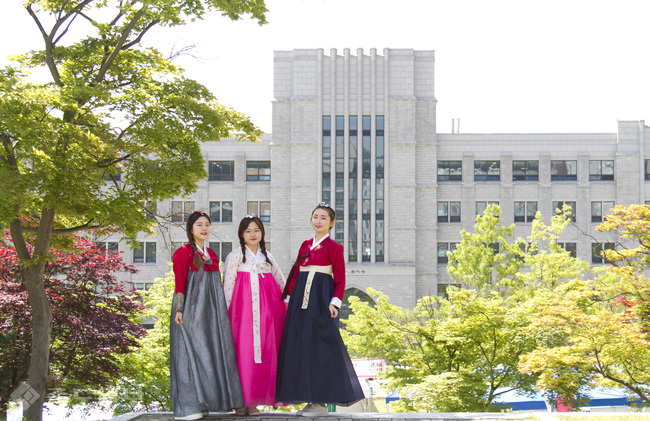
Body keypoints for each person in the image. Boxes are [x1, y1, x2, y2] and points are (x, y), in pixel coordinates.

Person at [276, 203, 365, 416]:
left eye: (323, 218)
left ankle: (321, 402)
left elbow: (340, 279)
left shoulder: (334, 248)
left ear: (332, 223)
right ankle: (309, 399)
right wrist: (289, 298)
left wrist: (334, 302)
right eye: (315, 216)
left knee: (320, 348)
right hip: (300, 301)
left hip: (321, 300)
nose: (318, 221)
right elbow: (297, 272)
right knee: (301, 348)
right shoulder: (305, 244)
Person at [170, 210, 243, 421]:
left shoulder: (211, 253)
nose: (204, 228)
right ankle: (188, 406)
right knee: (189, 354)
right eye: (199, 225)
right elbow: (180, 283)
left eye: (207, 224)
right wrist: (179, 310)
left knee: (210, 354)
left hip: (212, 312)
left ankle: (205, 403)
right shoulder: (182, 252)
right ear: (191, 229)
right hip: (191, 310)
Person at [223, 214, 288, 416]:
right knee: (243, 353)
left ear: (262, 233)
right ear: (241, 234)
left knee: (266, 354)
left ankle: (254, 402)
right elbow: (228, 285)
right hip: (241, 313)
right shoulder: (234, 256)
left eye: (256, 230)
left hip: (268, 311)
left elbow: (281, 281)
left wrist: (289, 304)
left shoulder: (267, 256)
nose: (252, 234)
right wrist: (225, 312)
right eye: (248, 231)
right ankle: (240, 401)